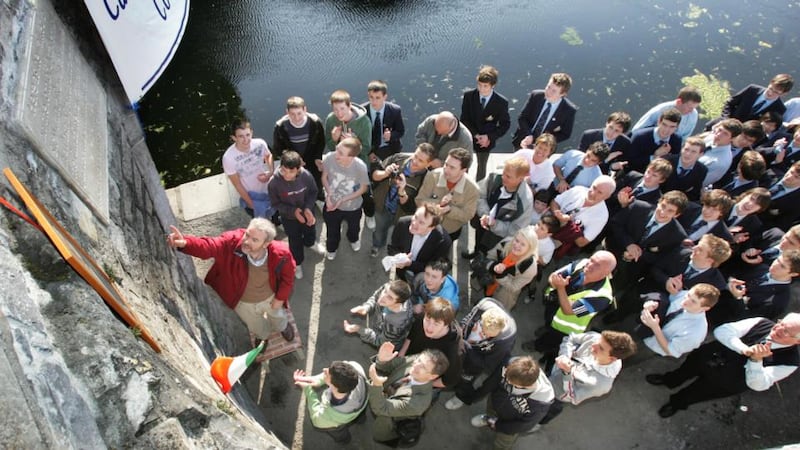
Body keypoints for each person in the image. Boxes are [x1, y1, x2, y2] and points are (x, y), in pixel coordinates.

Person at [166, 218, 296, 357]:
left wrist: (280, 298)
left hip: (270, 297)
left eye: (255, 240)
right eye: (247, 235)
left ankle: (282, 326)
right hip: (242, 301)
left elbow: (288, 279)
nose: (246, 242)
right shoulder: (233, 241)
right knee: (254, 324)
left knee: (277, 314)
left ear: (266, 244)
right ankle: (262, 336)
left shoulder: (282, 253)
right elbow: (210, 245)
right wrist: (186, 243)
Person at [646, 312, 800, 418]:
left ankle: (676, 403)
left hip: (725, 382)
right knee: (685, 370)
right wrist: (744, 349)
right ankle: (669, 380)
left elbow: (759, 384)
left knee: (696, 394)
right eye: (781, 324)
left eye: (787, 332)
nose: (778, 329)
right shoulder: (761, 322)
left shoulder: (790, 362)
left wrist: (756, 361)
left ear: (797, 341)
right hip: (708, 357)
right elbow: (723, 331)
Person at [522, 251, 617, 371]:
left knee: (553, 341)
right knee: (549, 327)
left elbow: (568, 310)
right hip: (553, 311)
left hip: (564, 327)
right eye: (591, 259)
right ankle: (546, 331)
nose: (590, 264)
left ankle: (538, 347)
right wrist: (556, 283)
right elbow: (554, 277)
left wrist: (560, 287)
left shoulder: (602, 295)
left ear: (606, 273)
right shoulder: (582, 263)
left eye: (597, 265)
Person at [540, 330, 637, 426]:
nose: (593, 345)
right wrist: (565, 355)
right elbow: (571, 338)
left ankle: (539, 422)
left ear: (612, 359)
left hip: (557, 394)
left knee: (548, 409)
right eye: (598, 342)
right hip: (554, 372)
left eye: (601, 348)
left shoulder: (601, 384)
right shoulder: (596, 338)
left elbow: (573, 397)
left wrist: (567, 373)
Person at [368, 342, 449, 446]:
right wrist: (382, 360)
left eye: (423, 367)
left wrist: (376, 385)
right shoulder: (415, 360)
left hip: (387, 419)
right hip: (382, 398)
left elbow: (381, 408)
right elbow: (391, 366)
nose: (415, 366)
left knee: (378, 436)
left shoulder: (419, 402)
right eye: (419, 360)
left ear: (432, 377)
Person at [444, 297, 517, 411]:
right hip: (462, 345)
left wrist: (466, 348)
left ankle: (461, 397)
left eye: (488, 335)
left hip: (474, 362)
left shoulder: (504, 342)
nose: (483, 335)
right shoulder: (483, 306)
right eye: (482, 329)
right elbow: (466, 320)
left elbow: (486, 364)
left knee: (465, 380)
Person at [470, 356, 554, 450]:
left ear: (526, 386)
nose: (507, 382)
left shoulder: (540, 403)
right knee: (490, 412)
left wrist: (498, 425)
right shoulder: (512, 365)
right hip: (494, 403)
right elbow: (494, 380)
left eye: (512, 383)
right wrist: (478, 394)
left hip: (510, 423)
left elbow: (524, 425)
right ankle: (487, 419)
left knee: (503, 442)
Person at [370, 143, 437, 257]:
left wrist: (402, 192)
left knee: (399, 236)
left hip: (402, 215)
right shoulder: (398, 158)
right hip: (383, 206)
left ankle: (394, 253)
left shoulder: (427, 179)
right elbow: (374, 175)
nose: (415, 161)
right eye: (415, 156)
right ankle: (377, 245)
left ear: (429, 163)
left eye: (420, 161)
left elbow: (412, 207)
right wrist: (385, 173)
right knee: (379, 229)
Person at [268, 151, 323, 280]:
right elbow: (275, 204)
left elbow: (313, 192)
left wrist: (308, 208)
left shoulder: (306, 176)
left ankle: (310, 243)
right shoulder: (273, 183)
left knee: (310, 228)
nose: (286, 175)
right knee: (294, 239)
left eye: (291, 172)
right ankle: (297, 262)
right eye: (283, 170)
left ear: (299, 169)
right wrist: (292, 212)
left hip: (307, 211)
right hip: (289, 218)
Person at [464, 157, 533, 257]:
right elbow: (479, 195)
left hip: (497, 237)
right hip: (482, 223)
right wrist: (485, 214)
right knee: (478, 239)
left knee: (488, 252)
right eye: (504, 173)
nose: (503, 177)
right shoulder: (494, 177)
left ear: (520, 179)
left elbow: (515, 229)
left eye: (508, 176)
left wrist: (494, 224)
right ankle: (476, 252)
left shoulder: (525, 201)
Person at [292, 360, 368, 444]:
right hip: (361, 404)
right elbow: (336, 377)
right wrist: (313, 380)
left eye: (327, 373)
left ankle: (344, 441)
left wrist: (308, 389)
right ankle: (361, 420)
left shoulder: (328, 416)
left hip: (338, 423)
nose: (324, 369)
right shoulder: (354, 369)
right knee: (360, 416)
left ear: (334, 386)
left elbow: (316, 420)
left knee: (338, 432)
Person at [637, 283, 720, 359]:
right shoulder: (684, 295)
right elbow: (669, 300)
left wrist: (655, 328)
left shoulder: (696, 333)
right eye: (688, 295)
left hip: (651, 347)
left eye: (693, 301)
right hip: (644, 328)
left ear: (705, 308)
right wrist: (653, 304)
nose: (686, 301)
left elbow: (670, 350)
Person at [416, 147, 480, 241]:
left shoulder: (472, 189)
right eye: (446, 164)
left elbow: (468, 215)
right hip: (426, 227)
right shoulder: (432, 176)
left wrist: (449, 210)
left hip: (451, 231)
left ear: (463, 170)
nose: (446, 169)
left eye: (452, 167)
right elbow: (419, 200)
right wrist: (438, 205)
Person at [321, 137, 370, 260]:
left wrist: (344, 199)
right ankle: (331, 248)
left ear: (351, 157)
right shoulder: (329, 158)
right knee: (332, 231)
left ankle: (353, 239)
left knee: (354, 228)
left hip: (353, 207)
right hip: (332, 204)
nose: (336, 154)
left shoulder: (360, 167)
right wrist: (328, 194)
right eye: (337, 149)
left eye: (341, 153)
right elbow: (324, 178)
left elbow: (363, 188)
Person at [460, 65, 511, 180]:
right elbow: (464, 119)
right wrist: (476, 135)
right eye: (479, 85)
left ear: (493, 85)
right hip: (469, 135)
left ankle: (478, 187)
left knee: (482, 166)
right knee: (463, 163)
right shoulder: (469, 96)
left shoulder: (501, 102)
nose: (481, 89)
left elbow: (505, 124)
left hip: (486, 142)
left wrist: (489, 137)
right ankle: (462, 183)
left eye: (485, 86)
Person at [400, 298, 463, 389]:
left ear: (446, 324)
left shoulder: (454, 350)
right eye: (427, 320)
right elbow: (412, 333)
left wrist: (418, 383)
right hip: (410, 362)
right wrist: (402, 353)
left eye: (436, 324)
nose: (429, 327)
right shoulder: (427, 316)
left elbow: (449, 380)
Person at [548, 175, 616, 258]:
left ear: (607, 197)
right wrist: (557, 213)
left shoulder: (602, 215)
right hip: (547, 222)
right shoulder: (578, 190)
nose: (593, 193)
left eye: (600, 192)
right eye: (594, 187)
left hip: (558, 240)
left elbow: (582, 242)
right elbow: (555, 202)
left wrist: (567, 223)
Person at [222, 120, 277, 223]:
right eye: (241, 136)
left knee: (275, 214)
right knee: (261, 223)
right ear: (234, 138)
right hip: (252, 195)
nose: (246, 140)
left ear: (251, 132)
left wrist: (270, 172)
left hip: (268, 189)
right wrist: (251, 204)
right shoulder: (229, 158)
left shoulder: (260, 144)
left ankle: (276, 221)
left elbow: (268, 155)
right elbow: (237, 184)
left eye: (248, 135)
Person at [272, 96, 326, 198]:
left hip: (312, 159)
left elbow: (321, 142)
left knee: (316, 181)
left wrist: (318, 157)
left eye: (299, 113)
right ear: (287, 112)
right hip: (293, 161)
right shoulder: (280, 126)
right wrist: (295, 159)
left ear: (305, 110)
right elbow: (278, 149)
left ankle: (318, 195)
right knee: (297, 184)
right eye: (292, 114)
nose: (296, 118)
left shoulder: (315, 122)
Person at [387, 204, 452, 281]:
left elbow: (435, 268)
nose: (414, 223)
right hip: (401, 272)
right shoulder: (403, 223)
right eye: (415, 217)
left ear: (431, 227)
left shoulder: (443, 241)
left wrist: (410, 264)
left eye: (421, 222)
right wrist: (398, 257)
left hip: (423, 278)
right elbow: (393, 247)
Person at [482, 226, 539, 311]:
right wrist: (493, 266)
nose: (516, 245)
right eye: (516, 240)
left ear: (530, 248)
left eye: (523, 244)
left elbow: (514, 287)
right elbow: (490, 256)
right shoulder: (506, 243)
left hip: (505, 295)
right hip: (490, 282)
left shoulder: (530, 268)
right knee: (486, 298)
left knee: (497, 312)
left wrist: (501, 275)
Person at [512, 73, 577, 147]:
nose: (548, 92)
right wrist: (529, 135)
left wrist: (545, 141)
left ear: (563, 94)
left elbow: (565, 134)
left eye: (554, 91)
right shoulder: (536, 96)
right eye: (548, 87)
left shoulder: (569, 110)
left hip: (544, 148)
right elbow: (522, 117)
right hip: (524, 139)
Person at [344, 279, 414, 349]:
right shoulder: (389, 288)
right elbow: (376, 297)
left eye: (389, 298)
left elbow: (379, 341)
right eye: (385, 291)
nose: (383, 296)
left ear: (398, 304)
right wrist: (366, 307)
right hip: (381, 324)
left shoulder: (395, 325)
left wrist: (358, 329)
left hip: (390, 340)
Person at [706, 73, 794, 127]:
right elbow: (730, 103)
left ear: (783, 94)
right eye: (770, 88)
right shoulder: (752, 89)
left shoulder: (779, 109)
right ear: (770, 83)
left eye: (776, 92)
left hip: (742, 136)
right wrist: (725, 119)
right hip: (726, 122)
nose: (770, 93)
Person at [623, 108, 683, 174]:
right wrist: (654, 156)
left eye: (672, 127)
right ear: (659, 122)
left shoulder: (677, 139)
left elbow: (674, 163)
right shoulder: (639, 137)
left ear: (677, 127)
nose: (666, 130)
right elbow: (630, 161)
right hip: (635, 174)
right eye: (664, 125)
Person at [631, 86, 702, 141]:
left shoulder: (693, 115)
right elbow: (636, 132)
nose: (691, 111)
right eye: (690, 107)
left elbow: (684, 138)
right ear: (679, 102)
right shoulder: (660, 110)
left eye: (694, 108)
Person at [363, 80, 405, 161]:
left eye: (377, 98)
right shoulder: (362, 112)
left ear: (385, 97)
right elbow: (360, 136)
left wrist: (391, 136)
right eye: (371, 97)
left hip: (390, 148)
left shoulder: (395, 110)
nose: (374, 101)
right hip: (370, 150)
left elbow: (400, 131)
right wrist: (369, 152)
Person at [659, 136, 709, 202]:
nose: (688, 154)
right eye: (686, 149)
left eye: (693, 152)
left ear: (700, 154)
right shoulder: (666, 161)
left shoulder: (701, 170)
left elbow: (694, 193)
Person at [699, 118, 744, 186]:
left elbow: (700, 183)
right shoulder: (710, 137)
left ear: (732, 138)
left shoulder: (722, 162)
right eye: (720, 130)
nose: (719, 134)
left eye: (725, 134)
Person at [760, 161, 800, 230]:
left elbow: (780, 225)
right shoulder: (770, 173)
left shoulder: (797, 204)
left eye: (796, 177)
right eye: (791, 172)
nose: (789, 177)